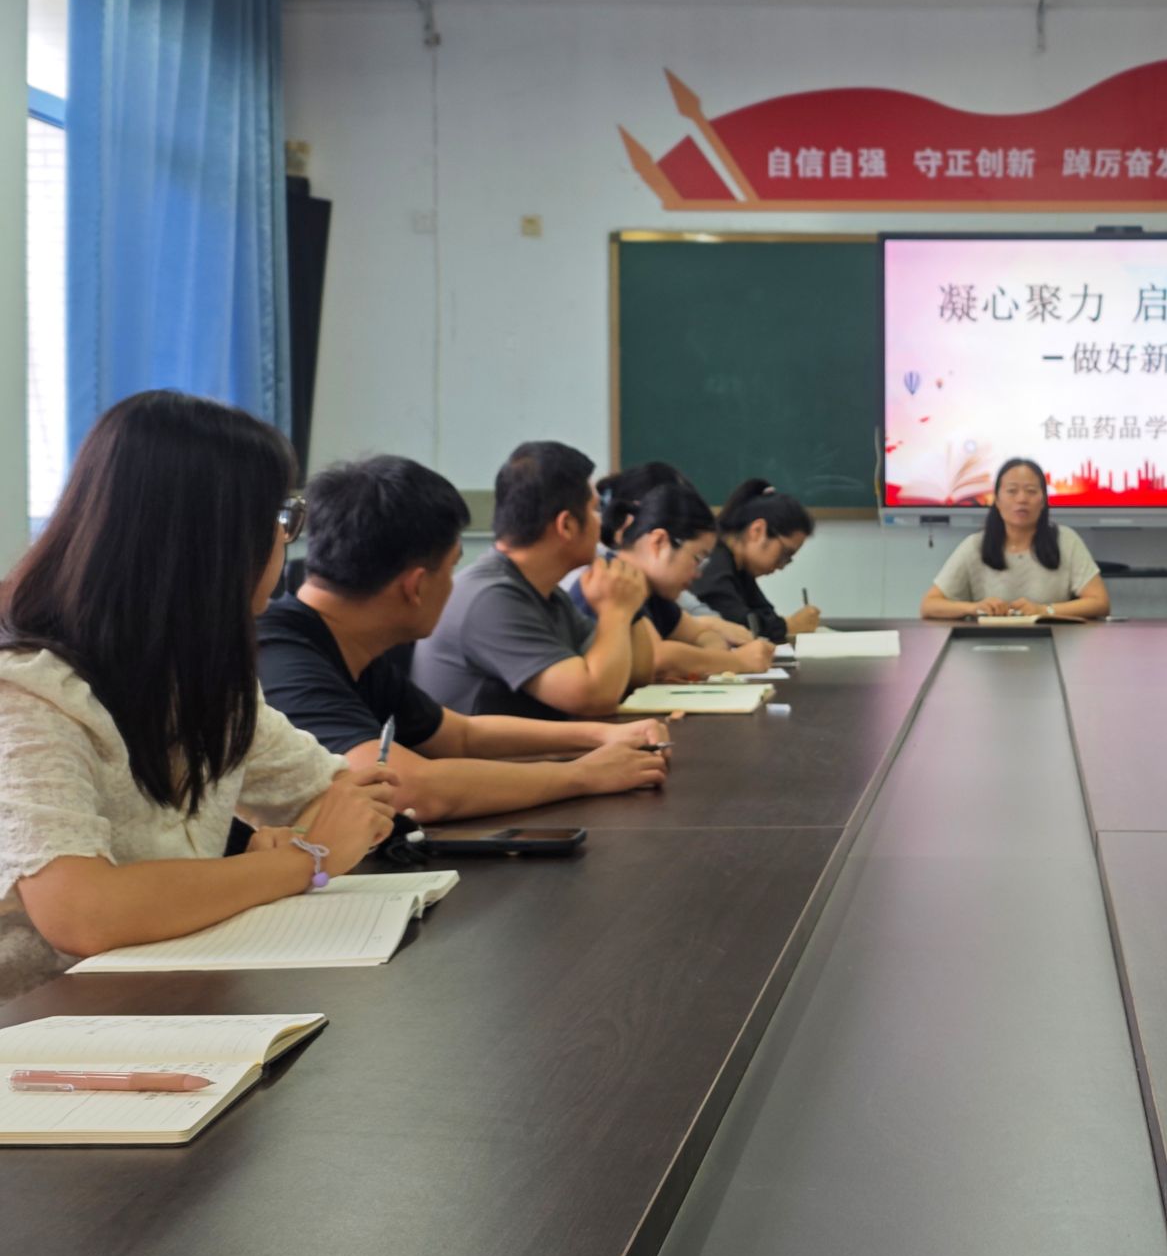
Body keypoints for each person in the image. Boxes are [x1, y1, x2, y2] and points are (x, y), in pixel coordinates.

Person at [0, 392, 395, 1003]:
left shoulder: (201, 679)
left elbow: (346, 799)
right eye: (281, 517)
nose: (285, 540)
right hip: (39, 1028)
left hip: (167, 1001)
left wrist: (298, 839)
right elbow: (82, 913)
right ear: (209, 541)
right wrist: (301, 861)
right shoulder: (26, 690)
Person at [258, 455, 672, 826]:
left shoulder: (349, 643)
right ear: (416, 586)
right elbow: (410, 790)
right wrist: (583, 774)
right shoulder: (277, 654)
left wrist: (601, 737)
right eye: (452, 568)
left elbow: (461, 735)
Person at [413, 440, 658, 720]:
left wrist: (628, 605)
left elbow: (637, 674)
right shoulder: (490, 598)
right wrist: (616, 611)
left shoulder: (547, 594)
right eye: (593, 509)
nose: (600, 522)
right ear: (566, 525)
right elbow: (594, 697)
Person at [570, 465, 776, 677]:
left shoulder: (655, 592)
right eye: (698, 559)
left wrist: (705, 660)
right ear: (659, 542)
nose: (698, 574)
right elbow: (657, 658)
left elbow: (705, 635)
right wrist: (737, 661)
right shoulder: (614, 579)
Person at [921, 458, 1110, 620]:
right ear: (997, 499)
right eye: (1012, 491)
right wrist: (973, 608)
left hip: (1056, 642)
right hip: (987, 645)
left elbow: (1100, 602)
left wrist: (1044, 610)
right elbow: (929, 605)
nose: (1022, 499)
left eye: (1031, 491)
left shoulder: (1066, 540)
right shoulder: (975, 545)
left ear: (1043, 500)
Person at [692, 479, 820, 644]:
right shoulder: (712, 562)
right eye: (785, 554)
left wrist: (783, 625)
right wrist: (788, 626)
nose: (782, 566)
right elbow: (738, 625)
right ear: (757, 530)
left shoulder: (740, 566)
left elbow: (765, 614)